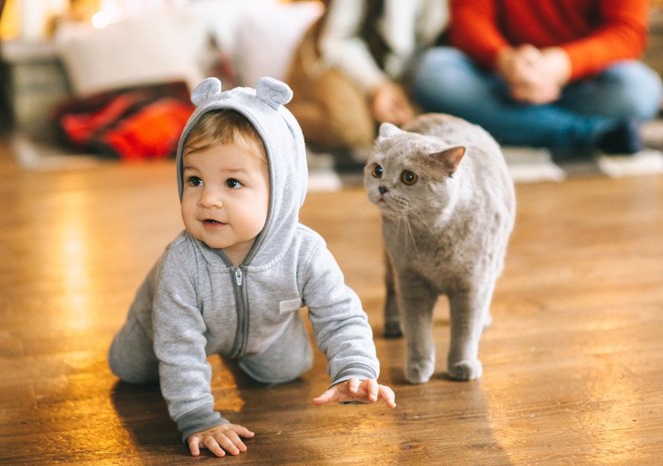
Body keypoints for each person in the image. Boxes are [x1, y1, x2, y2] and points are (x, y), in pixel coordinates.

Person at [108, 76, 396, 458]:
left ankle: (247, 347)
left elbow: (340, 315)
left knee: (288, 370)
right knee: (130, 368)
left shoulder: (304, 252)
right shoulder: (182, 261)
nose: (208, 199)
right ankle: (154, 340)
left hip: (264, 329)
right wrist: (198, 417)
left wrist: (355, 370)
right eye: (194, 180)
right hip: (163, 328)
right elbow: (178, 349)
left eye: (232, 182)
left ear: (281, 190)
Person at [412, 0, 663, 157]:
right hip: (499, 81)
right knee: (434, 73)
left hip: (581, 80)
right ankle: (592, 134)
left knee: (639, 90)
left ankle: (518, 124)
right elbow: (468, 21)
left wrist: (562, 64)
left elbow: (626, 32)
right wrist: (505, 60)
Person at [286, 0, 448, 153]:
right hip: (333, 60)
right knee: (350, 128)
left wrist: (401, 88)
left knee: (420, 130)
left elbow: (425, 42)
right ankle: (276, 119)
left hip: (397, 76)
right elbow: (335, 42)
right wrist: (377, 87)